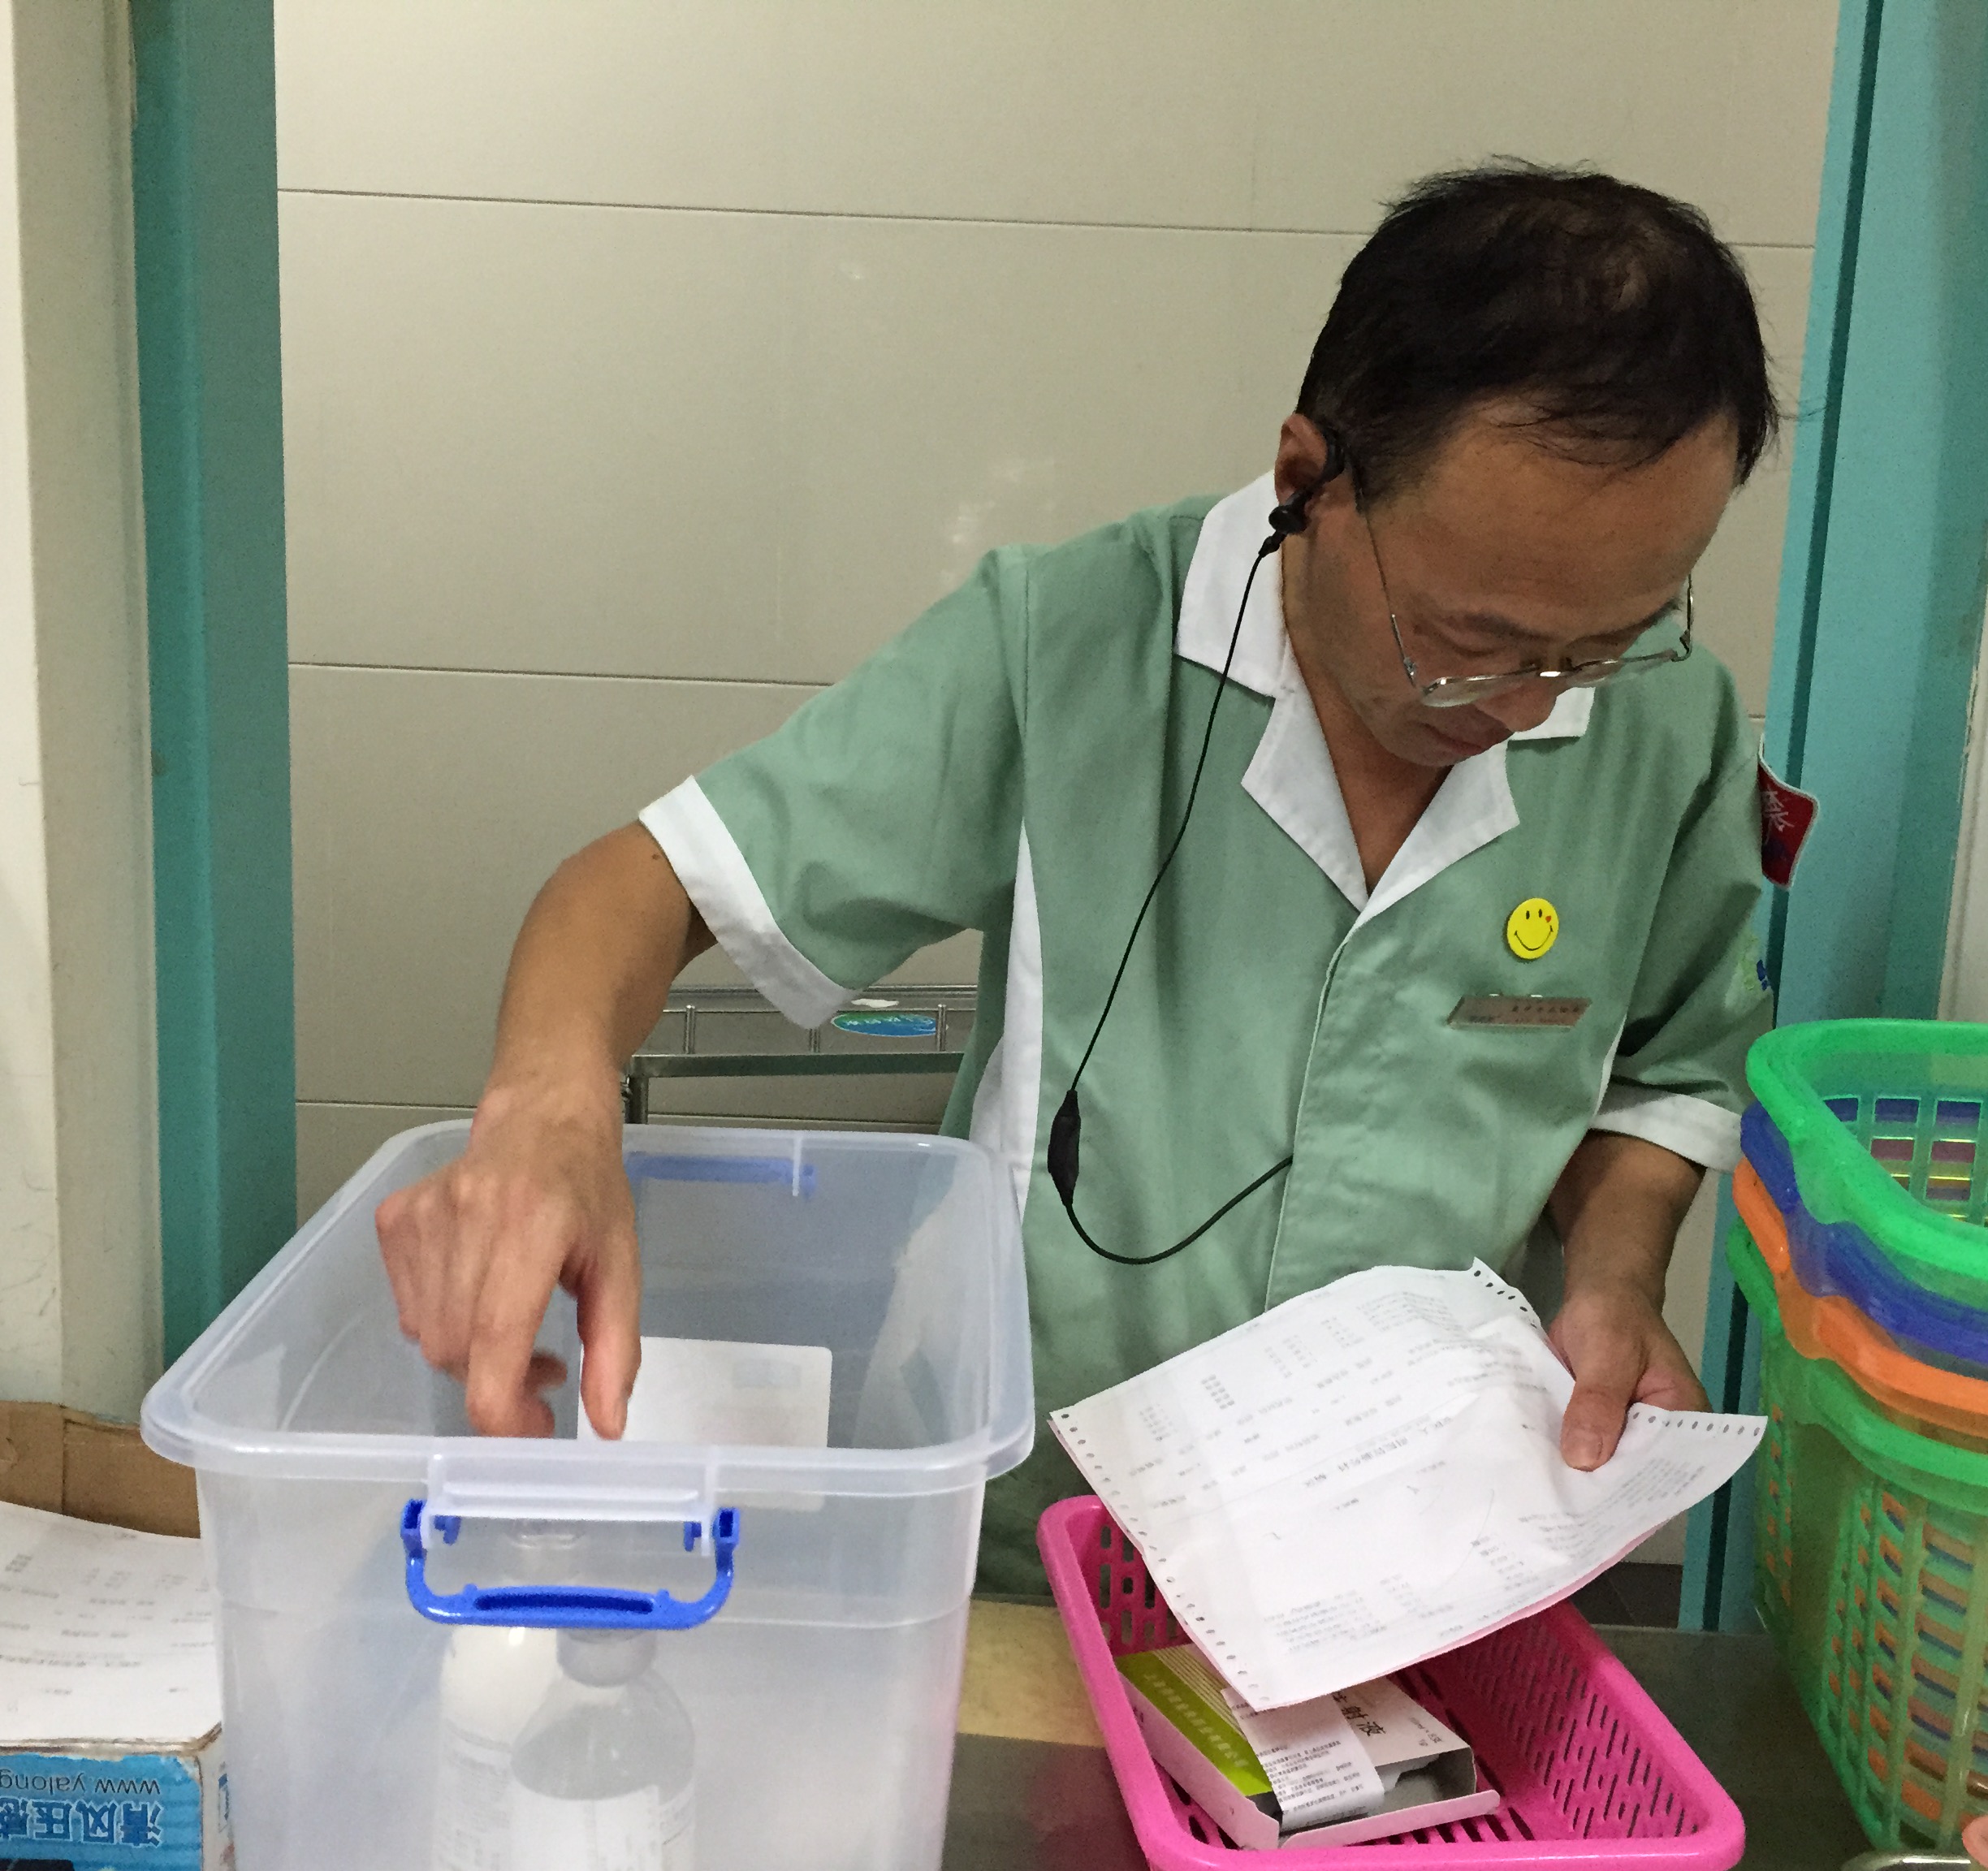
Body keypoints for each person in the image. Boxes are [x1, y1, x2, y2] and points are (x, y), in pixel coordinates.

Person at [377, 162, 1778, 1595]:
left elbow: (1662, 1068)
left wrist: (1616, 1275)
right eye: (1469, 642)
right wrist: (547, 1110)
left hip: (1421, 1550)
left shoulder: (1668, 729)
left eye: (1603, 644)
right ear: (1308, 481)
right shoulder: (1065, 645)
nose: (1531, 703)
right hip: (1037, 1536)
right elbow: (642, 885)